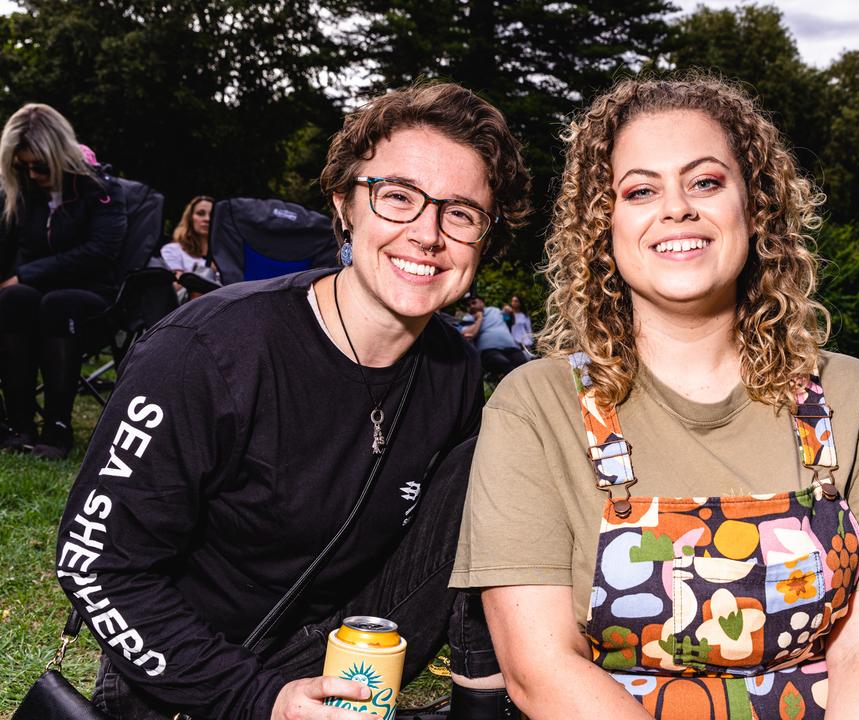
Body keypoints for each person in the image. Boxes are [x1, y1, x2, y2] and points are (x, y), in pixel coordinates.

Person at [451, 76, 859, 719]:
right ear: (604, 226)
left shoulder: (856, 401)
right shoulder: (535, 408)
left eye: (705, 182)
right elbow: (540, 668)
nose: (676, 208)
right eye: (640, 190)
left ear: (756, 205)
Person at [55, 82, 530, 719]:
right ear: (344, 204)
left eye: (462, 214)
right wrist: (262, 701)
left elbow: (469, 543)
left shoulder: (453, 370)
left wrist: (481, 689)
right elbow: (96, 566)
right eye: (397, 198)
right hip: (194, 674)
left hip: (343, 650)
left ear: (484, 239)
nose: (428, 234)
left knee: (500, 453)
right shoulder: (207, 350)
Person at [0, 103, 126, 460]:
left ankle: (58, 427)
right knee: (13, 300)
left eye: (39, 165)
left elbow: (100, 252)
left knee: (55, 303)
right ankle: (19, 425)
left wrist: (24, 274)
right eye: (22, 166)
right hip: (33, 299)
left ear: (58, 154)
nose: (32, 174)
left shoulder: (103, 188)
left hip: (92, 300)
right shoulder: (21, 193)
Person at [460, 294, 528, 378]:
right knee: (505, 365)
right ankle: (518, 385)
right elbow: (469, 334)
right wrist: (479, 319)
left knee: (524, 364)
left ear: (482, 302)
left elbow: (510, 319)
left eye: (473, 302)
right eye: (468, 305)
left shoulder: (494, 310)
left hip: (511, 348)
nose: (471, 306)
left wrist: (509, 312)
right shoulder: (468, 318)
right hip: (489, 352)